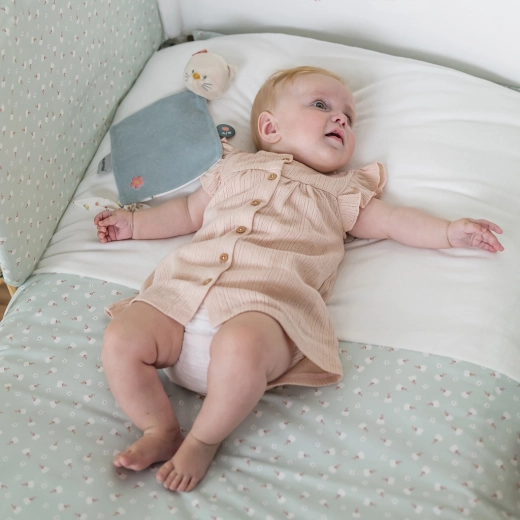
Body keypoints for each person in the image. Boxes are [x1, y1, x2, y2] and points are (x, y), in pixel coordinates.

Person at [94, 66, 504, 493]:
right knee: (122, 336)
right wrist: (133, 225)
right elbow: (185, 213)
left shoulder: (341, 193)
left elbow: (395, 221)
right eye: (321, 105)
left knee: (242, 345)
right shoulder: (233, 168)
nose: (341, 118)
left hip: (263, 309)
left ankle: (203, 439)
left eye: (349, 117)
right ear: (270, 128)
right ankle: (159, 429)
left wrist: (449, 231)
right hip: (181, 299)